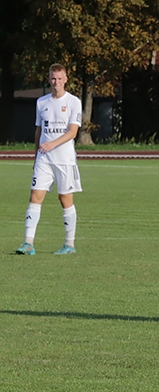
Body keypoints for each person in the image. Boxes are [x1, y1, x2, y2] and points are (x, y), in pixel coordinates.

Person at [15, 64, 82, 256]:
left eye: (60, 79)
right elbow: (39, 131)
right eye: (53, 79)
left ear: (66, 79)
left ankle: (69, 244)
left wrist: (52, 144)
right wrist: (36, 155)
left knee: (65, 199)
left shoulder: (73, 102)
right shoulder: (41, 102)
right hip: (44, 159)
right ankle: (28, 243)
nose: (56, 82)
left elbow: (73, 132)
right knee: (35, 197)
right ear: (49, 79)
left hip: (64, 160)